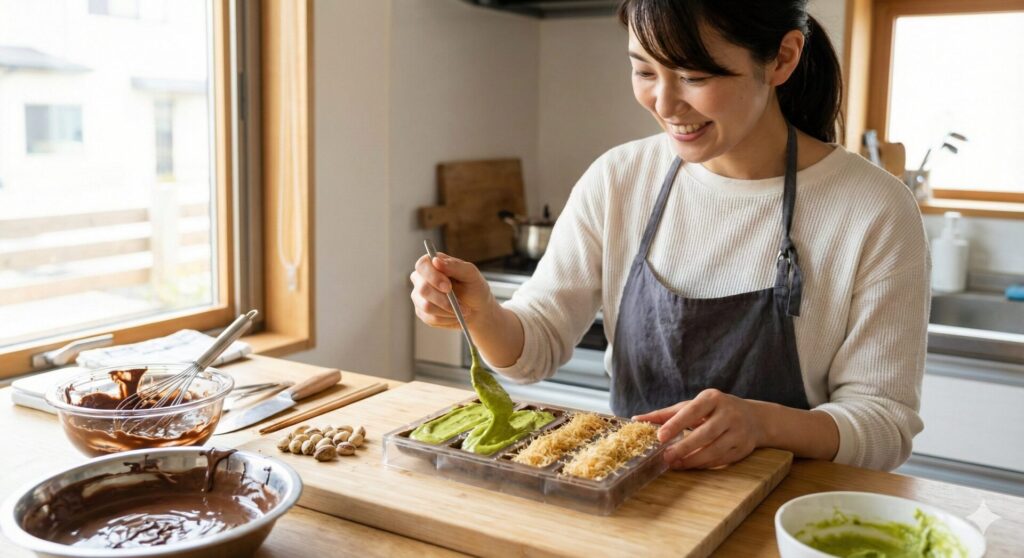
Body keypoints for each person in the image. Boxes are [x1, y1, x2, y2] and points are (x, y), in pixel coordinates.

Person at [410, 0, 929, 472]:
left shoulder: (874, 208)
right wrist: (482, 315)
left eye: (693, 75)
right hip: (632, 497)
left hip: (793, 515)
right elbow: (537, 343)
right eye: (643, 70)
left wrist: (764, 425)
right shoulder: (620, 178)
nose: (664, 103)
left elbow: (884, 425)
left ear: (781, 59)